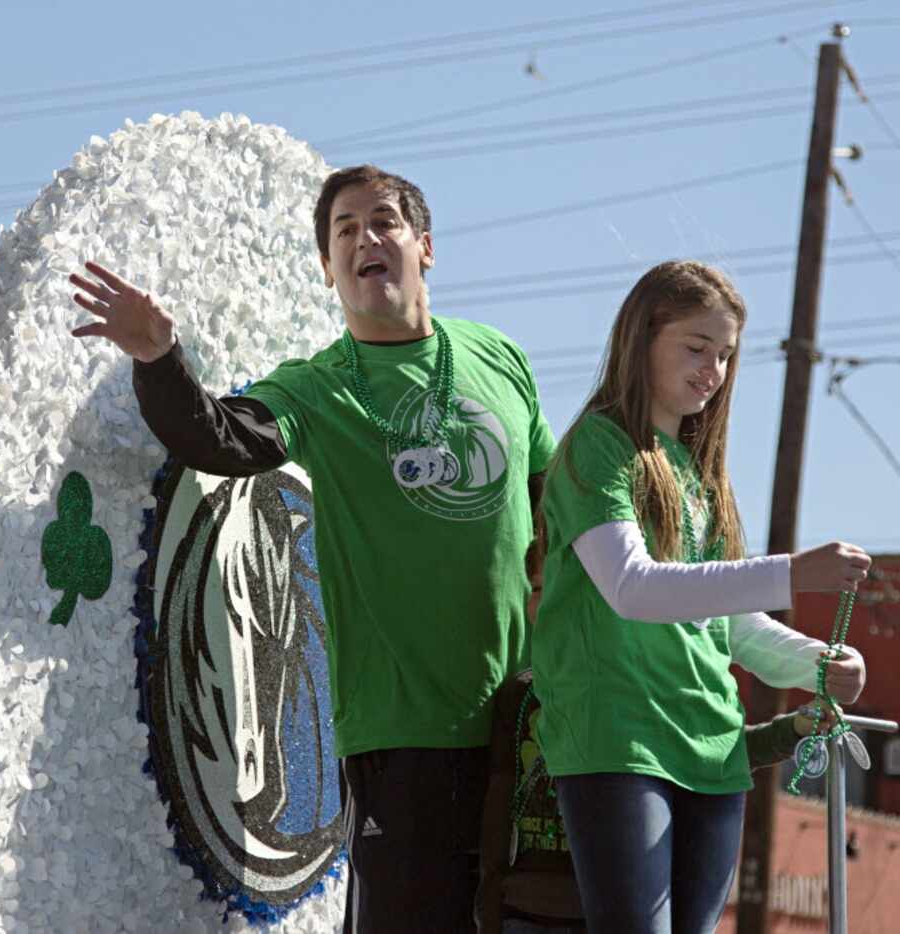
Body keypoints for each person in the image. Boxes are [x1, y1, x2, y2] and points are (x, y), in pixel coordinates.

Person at [69, 164, 555, 933]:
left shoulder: (501, 357)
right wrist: (159, 356)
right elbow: (218, 438)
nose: (367, 236)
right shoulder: (317, 388)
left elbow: (550, 512)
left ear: (424, 246)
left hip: (522, 730)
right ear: (329, 270)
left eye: (384, 221)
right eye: (345, 230)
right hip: (404, 737)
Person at [530, 260, 870, 934]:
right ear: (641, 337)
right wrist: (793, 573)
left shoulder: (701, 476)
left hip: (715, 751)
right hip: (617, 740)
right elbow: (631, 588)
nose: (712, 369)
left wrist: (817, 664)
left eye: (725, 355)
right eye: (695, 346)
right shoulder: (598, 446)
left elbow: (732, 628)